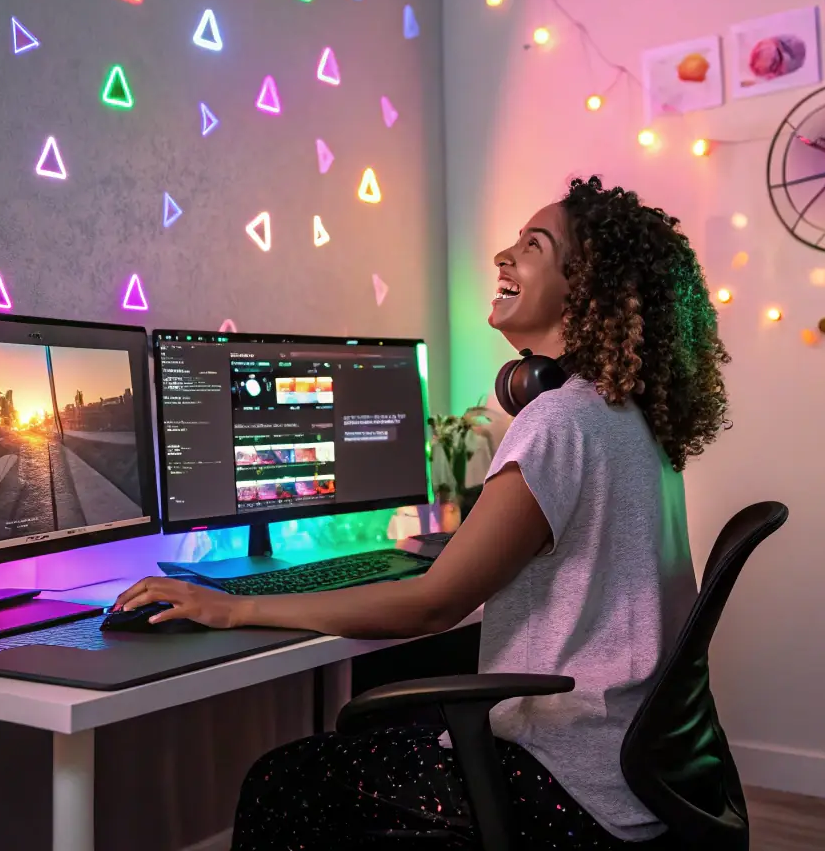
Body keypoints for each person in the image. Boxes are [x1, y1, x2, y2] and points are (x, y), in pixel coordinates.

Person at [115, 176, 731, 848]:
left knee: (280, 780)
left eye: (532, 245)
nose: (504, 256)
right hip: (636, 776)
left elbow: (432, 606)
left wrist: (234, 606)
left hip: (565, 782)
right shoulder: (627, 418)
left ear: (587, 291)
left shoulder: (559, 420)